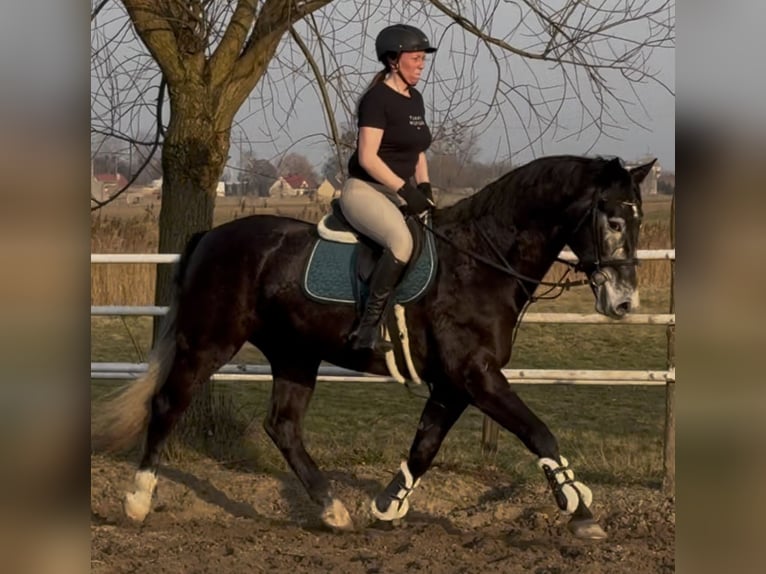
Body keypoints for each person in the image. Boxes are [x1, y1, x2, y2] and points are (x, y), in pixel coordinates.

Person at [340, 23, 437, 353]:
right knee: (400, 242)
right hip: (365, 190)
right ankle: (367, 328)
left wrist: (424, 186)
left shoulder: (415, 98)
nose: (421, 65)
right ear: (394, 60)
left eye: (423, 59)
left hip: (397, 191)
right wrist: (405, 190)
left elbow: (418, 149)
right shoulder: (377, 99)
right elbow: (367, 157)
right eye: (416, 59)